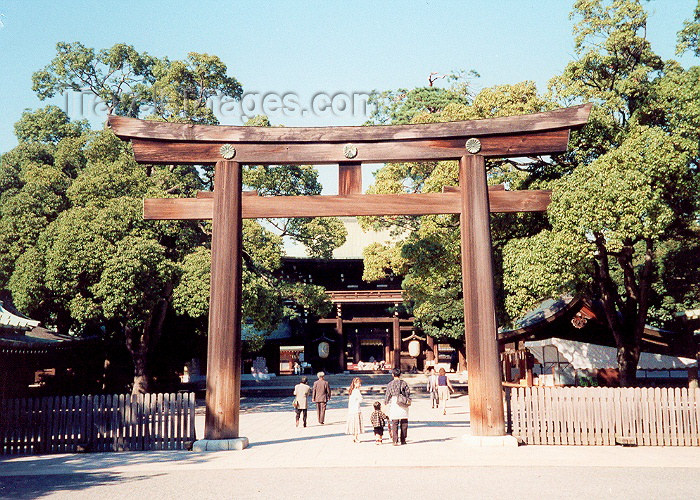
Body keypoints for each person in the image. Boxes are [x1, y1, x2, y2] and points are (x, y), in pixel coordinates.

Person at [384, 368, 410, 445]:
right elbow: (408, 393)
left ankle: (395, 440)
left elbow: (387, 395)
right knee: (404, 421)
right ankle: (403, 439)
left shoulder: (390, 384)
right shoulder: (404, 383)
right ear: (400, 375)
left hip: (394, 402)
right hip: (402, 401)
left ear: (393, 374)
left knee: (395, 422)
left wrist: (385, 402)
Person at [345, 377, 364, 443]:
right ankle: (356, 437)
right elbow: (360, 399)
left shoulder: (351, 390)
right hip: (356, 409)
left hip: (351, 410)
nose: (360, 385)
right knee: (356, 424)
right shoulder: (356, 391)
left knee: (353, 424)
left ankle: (354, 437)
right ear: (355, 383)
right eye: (359, 383)